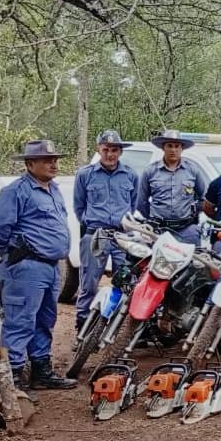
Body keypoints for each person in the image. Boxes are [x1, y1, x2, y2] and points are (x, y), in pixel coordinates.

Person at [0, 140, 77, 393]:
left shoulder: (54, 189)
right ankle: (12, 381)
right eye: (47, 160)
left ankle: (41, 371)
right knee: (20, 320)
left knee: (44, 320)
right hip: (26, 266)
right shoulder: (16, 191)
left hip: (50, 266)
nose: (53, 164)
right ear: (29, 164)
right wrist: (14, 252)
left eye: (55, 159)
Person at [72, 130, 137, 329]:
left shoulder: (131, 175)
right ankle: (83, 324)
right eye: (106, 149)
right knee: (89, 283)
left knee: (124, 282)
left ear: (120, 152)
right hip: (95, 235)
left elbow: (133, 205)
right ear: (98, 149)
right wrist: (92, 223)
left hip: (122, 236)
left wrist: (121, 223)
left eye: (115, 150)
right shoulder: (85, 175)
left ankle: (115, 326)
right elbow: (79, 206)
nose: (110, 154)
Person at [136, 129, 206, 244]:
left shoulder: (192, 170)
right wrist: (153, 219)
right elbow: (140, 201)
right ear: (163, 147)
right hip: (158, 231)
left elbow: (204, 198)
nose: (173, 150)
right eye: (169, 146)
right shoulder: (150, 171)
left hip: (187, 230)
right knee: (157, 261)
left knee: (191, 261)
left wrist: (193, 212)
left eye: (177, 146)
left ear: (181, 148)